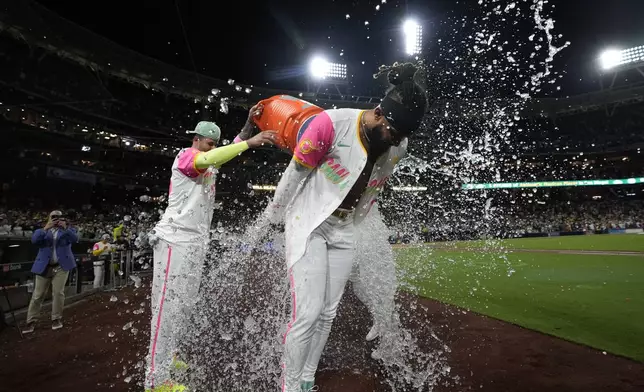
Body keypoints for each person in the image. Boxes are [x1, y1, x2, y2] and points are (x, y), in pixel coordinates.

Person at [262, 62, 427, 392]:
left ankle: (307, 378)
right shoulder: (329, 125)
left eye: (403, 136)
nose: (396, 141)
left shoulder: (398, 144)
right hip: (309, 223)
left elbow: (373, 188)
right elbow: (293, 177)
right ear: (379, 113)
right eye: (394, 132)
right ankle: (290, 385)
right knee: (308, 313)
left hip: (346, 229)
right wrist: (271, 219)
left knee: (327, 313)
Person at [238, 94, 397, 343]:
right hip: (323, 215)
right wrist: (248, 133)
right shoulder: (328, 127)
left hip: (352, 216)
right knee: (322, 296)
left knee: (356, 276)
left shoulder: (343, 132)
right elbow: (293, 172)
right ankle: (308, 339)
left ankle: (382, 318)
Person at [145, 112, 276, 391]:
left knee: (183, 306)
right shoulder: (186, 155)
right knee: (166, 309)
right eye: (208, 143)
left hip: (194, 242)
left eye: (215, 145)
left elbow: (221, 155)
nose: (212, 149)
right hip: (175, 239)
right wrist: (248, 143)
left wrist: (247, 127)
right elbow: (205, 160)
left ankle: (170, 358)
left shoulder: (210, 156)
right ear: (196, 140)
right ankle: (155, 380)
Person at [23, 210, 79, 333]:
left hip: (61, 266)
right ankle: (31, 321)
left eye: (58, 217)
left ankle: (56, 319)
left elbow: (75, 239)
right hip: (44, 267)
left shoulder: (68, 230)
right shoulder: (42, 230)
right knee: (38, 295)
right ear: (49, 218)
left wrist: (65, 228)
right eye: (53, 217)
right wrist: (45, 228)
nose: (56, 219)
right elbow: (34, 240)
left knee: (58, 293)